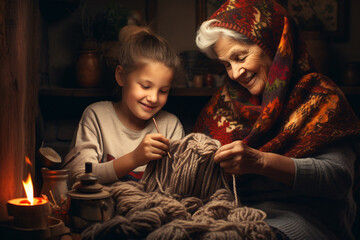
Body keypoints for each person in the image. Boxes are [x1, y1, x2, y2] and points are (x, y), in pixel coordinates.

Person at [193, 0, 360, 239]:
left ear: (274, 44)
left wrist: (260, 161)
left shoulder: (321, 97)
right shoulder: (222, 103)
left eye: (240, 57)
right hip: (233, 218)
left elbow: (338, 180)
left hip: (307, 223)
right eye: (226, 65)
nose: (235, 73)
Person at [64, 25, 185, 187]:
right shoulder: (97, 116)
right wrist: (135, 158)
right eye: (145, 86)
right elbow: (78, 176)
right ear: (121, 76)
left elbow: (180, 185)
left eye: (163, 91)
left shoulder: (170, 125)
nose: (153, 98)